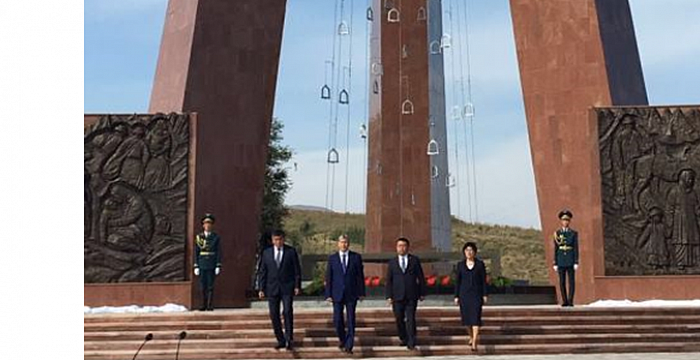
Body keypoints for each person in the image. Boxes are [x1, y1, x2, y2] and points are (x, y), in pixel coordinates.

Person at [257, 230, 301, 351]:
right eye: (275, 239)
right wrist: (261, 288)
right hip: (272, 288)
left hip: (287, 287)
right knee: (273, 314)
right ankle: (280, 339)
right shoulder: (266, 253)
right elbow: (262, 271)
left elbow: (297, 271)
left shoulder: (290, 251)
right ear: (272, 240)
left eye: (280, 239)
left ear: (283, 239)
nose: (278, 242)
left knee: (287, 311)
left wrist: (297, 286)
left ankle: (289, 339)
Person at [325, 235, 366, 354]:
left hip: (351, 293)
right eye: (342, 242)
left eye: (346, 242)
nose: (344, 244)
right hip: (337, 293)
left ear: (349, 244)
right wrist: (328, 294)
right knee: (337, 320)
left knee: (351, 319)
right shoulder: (332, 258)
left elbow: (359, 276)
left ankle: (349, 345)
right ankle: (343, 339)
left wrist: (361, 292)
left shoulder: (356, 257)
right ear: (338, 244)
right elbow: (329, 277)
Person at [385, 237, 426, 350]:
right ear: (396, 248)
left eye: (404, 246)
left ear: (408, 247)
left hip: (411, 294)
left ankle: (412, 340)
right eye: (399, 246)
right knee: (399, 318)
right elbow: (389, 280)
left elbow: (420, 277)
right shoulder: (392, 262)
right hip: (397, 295)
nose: (401, 248)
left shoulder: (414, 260)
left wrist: (422, 292)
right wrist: (389, 296)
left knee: (411, 318)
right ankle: (403, 337)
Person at [454, 241, 488, 352]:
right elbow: (457, 282)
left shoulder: (480, 264)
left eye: (471, 250)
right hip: (464, 295)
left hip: (476, 295)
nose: (469, 252)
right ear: (464, 252)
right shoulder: (460, 265)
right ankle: (471, 336)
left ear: (475, 252)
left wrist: (485, 294)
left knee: (476, 318)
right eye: (467, 250)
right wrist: (456, 296)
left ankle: (474, 342)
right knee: (467, 319)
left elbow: (483, 281)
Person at [193, 213, 221, 311]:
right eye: (206, 223)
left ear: (212, 225)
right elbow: (196, 252)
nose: (207, 225)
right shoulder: (199, 237)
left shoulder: (215, 237)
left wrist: (218, 264)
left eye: (209, 223)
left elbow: (218, 251)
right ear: (203, 225)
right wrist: (196, 265)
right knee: (202, 286)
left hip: (212, 264)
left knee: (210, 286)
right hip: (202, 264)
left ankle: (210, 305)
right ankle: (202, 304)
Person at [553, 209, 579, 307]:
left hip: (570, 259)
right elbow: (556, 248)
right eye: (564, 220)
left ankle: (570, 300)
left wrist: (576, 261)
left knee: (571, 281)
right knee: (562, 282)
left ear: (569, 221)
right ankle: (564, 301)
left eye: (567, 220)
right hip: (561, 260)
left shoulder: (573, 233)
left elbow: (576, 247)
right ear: (561, 221)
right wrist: (555, 262)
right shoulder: (557, 234)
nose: (565, 222)